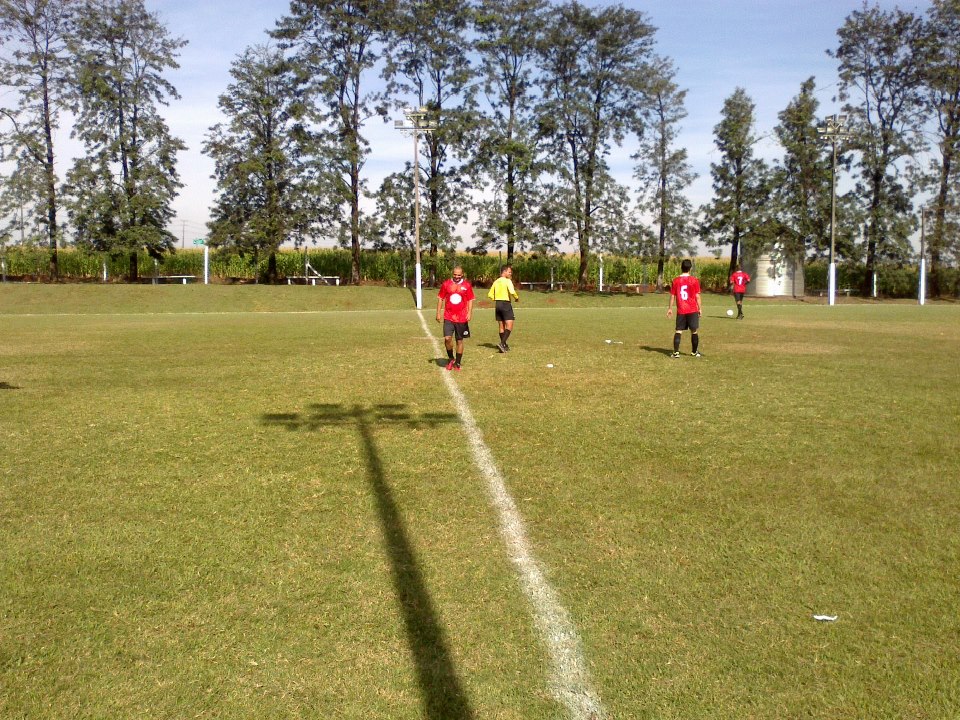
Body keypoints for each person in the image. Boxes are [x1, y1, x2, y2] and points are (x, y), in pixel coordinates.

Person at [436, 265, 475, 371]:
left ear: (462, 274)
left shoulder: (466, 285)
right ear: (452, 274)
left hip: (461, 317)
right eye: (455, 274)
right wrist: (438, 312)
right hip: (448, 316)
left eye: (459, 275)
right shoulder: (446, 284)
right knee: (447, 338)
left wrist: (469, 312)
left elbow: (470, 299)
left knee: (459, 340)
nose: (456, 277)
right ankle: (451, 358)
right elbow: (440, 298)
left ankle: (457, 363)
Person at [666, 258, 702, 358]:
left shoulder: (676, 280)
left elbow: (672, 296)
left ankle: (676, 353)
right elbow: (697, 296)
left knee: (678, 331)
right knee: (694, 331)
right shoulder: (694, 280)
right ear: (690, 268)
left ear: (681, 267)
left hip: (681, 309)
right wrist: (700, 308)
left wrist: (670, 308)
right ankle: (694, 352)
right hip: (692, 309)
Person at [487, 264, 520, 352]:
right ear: (504, 271)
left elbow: (490, 294)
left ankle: (504, 345)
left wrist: (496, 298)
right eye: (509, 272)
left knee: (501, 326)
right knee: (510, 324)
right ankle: (502, 343)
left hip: (498, 304)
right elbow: (512, 291)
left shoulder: (496, 281)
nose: (510, 274)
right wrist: (516, 298)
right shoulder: (507, 281)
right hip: (505, 304)